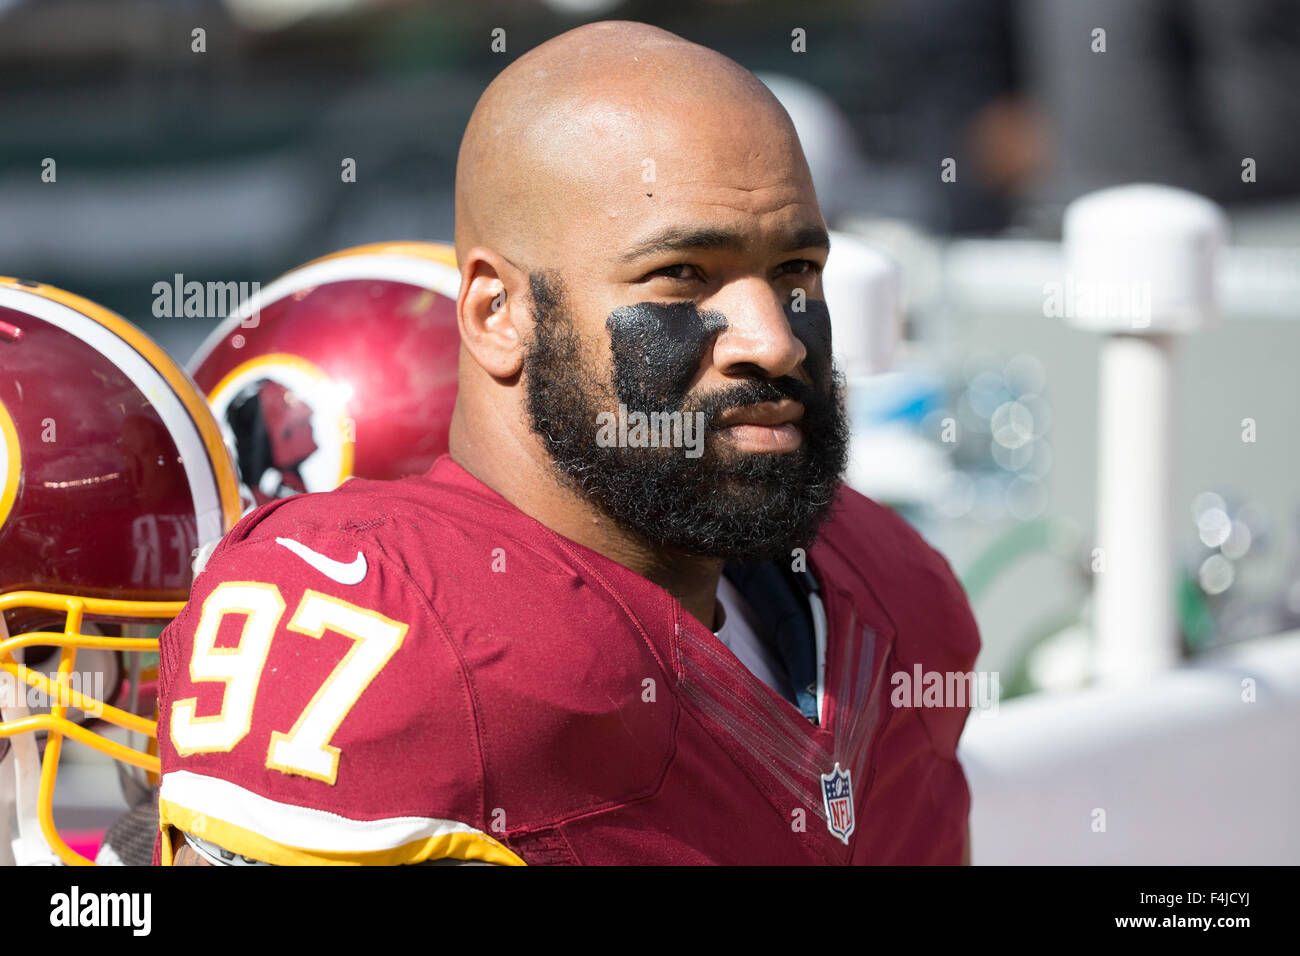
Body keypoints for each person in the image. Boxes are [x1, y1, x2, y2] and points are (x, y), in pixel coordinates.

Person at [158, 20, 980, 866]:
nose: (774, 341)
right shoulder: (393, 622)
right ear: (496, 314)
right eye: (683, 274)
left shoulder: (883, 587)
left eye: (797, 271)